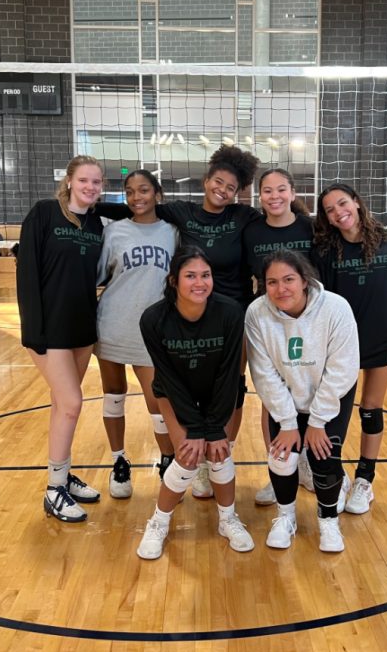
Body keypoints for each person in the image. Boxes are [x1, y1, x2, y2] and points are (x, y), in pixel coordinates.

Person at [150, 146, 262, 498]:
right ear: (205, 181)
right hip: (194, 310)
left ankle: (221, 455)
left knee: (232, 386)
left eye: (231, 187)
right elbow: (138, 207)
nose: (223, 190)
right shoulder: (182, 212)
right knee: (194, 384)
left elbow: (283, 223)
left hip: (235, 315)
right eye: (218, 182)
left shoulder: (244, 216)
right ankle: (198, 463)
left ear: (238, 192)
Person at [136, 246, 252, 560]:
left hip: (219, 393)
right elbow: (169, 379)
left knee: (220, 452)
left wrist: (214, 428)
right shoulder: (153, 319)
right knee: (187, 455)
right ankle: (158, 522)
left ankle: (227, 520)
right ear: (174, 280)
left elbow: (229, 374)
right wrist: (196, 428)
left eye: (205, 275)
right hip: (176, 395)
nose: (199, 282)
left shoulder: (229, 313)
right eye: (190, 276)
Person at [16, 155, 109, 523]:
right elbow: (27, 275)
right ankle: (53, 491)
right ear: (69, 181)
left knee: (61, 406)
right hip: (49, 330)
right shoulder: (43, 214)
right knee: (72, 403)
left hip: (82, 328)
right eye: (84, 180)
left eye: (97, 182)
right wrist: (33, 332)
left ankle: (62, 476)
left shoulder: (97, 223)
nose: (90, 187)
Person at [246, 250, 359, 552]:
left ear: (305, 280)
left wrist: (318, 420)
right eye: (272, 282)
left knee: (324, 458)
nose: (281, 289)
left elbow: (342, 370)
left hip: (329, 395)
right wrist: (286, 422)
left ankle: (328, 520)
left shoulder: (336, 308)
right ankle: (286, 518)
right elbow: (263, 372)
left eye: (288, 280)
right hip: (287, 398)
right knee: (281, 458)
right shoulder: (257, 313)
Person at [312, 183, 387, 515]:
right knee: (335, 415)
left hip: (381, 339)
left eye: (342, 203)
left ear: (356, 202)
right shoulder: (326, 250)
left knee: (371, 410)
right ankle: (336, 476)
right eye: (329, 209)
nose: (338, 211)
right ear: (326, 217)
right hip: (341, 343)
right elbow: (323, 301)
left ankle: (365, 480)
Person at [95, 169, 178, 499]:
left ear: (157, 193)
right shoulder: (114, 231)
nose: (136, 197)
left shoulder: (172, 232)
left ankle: (168, 459)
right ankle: (118, 461)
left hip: (151, 330)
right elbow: (100, 275)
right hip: (112, 324)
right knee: (113, 393)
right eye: (130, 191)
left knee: (157, 400)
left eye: (143, 190)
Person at [241, 168, 316, 506]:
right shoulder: (251, 231)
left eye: (281, 189)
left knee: (307, 391)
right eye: (267, 191)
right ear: (259, 196)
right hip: (270, 320)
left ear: (293, 192)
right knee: (273, 397)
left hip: (307, 319)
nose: (274, 196)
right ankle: (279, 469)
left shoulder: (309, 227)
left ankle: (305, 465)